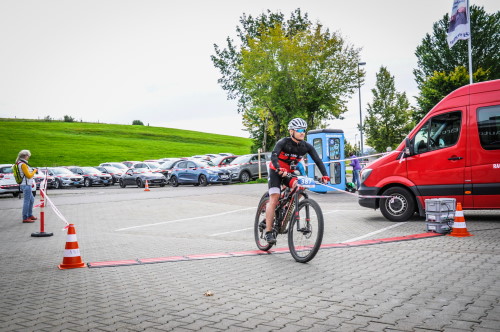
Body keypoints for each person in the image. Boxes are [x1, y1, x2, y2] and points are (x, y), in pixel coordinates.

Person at [265, 118, 330, 244]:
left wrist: (325, 175)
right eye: (299, 130)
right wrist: (278, 168)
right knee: (274, 197)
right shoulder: (283, 142)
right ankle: (268, 232)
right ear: (291, 131)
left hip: (288, 172)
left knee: (300, 187)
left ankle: (285, 208)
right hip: (275, 170)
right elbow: (274, 156)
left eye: (304, 130)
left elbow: (318, 160)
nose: (302, 133)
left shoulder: (306, 146)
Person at [16, 150, 38, 223]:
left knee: (31, 200)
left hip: (24, 184)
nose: (28, 157)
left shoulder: (19, 163)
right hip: (26, 185)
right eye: (28, 156)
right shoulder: (23, 164)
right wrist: (34, 171)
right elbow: (28, 176)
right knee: (27, 201)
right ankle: (25, 217)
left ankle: (30, 215)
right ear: (25, 156)